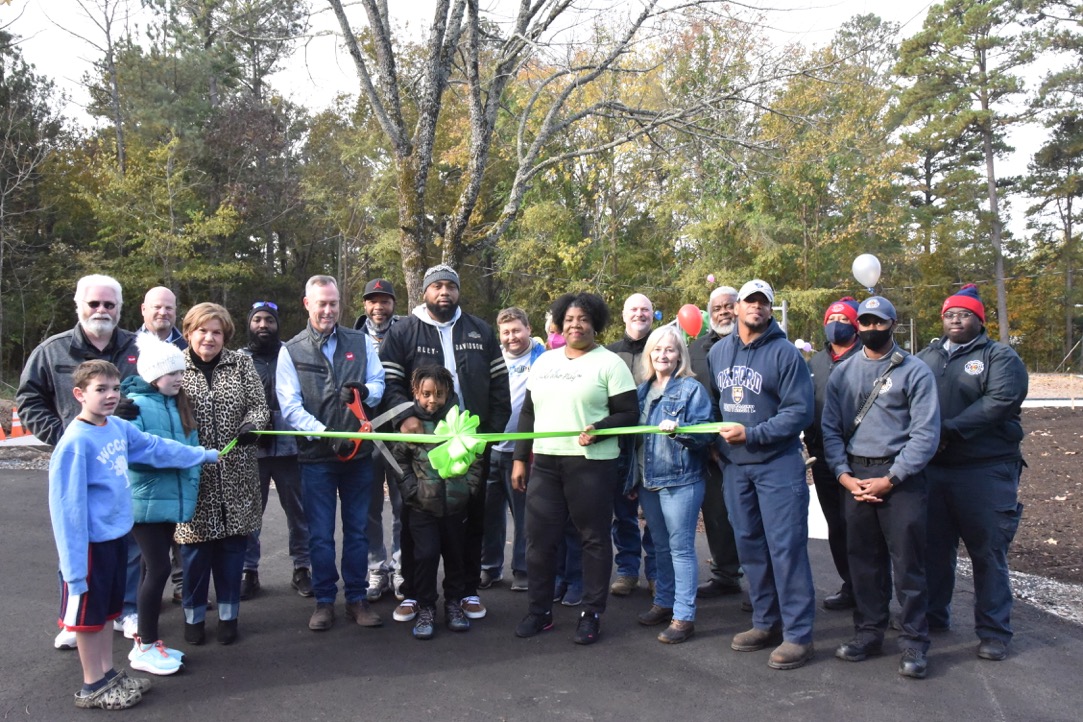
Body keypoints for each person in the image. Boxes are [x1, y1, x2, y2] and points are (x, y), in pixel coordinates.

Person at [49, 360, 217, 709]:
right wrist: (74, 570)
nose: (111, 396)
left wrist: (198, 454)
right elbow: (66, 512)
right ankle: (91, 684)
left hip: (114, 539)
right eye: (101, 390)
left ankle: (109, 673)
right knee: (89, 619)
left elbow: (155, 447)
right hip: (88, 548)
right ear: (79, 394)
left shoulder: (116, 428)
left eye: (115, 388)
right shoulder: (75, 443)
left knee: (108, 614)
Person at [379, 264, 510, 623]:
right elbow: (389, 383)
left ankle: (466, 591)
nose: (444, 293)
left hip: (469, 448)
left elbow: (500, 388)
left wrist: (489, 438)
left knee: (468, 524)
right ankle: (413, 595)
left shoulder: (480, 330)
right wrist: (405, 416)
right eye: (436, 286)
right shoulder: (403, 331)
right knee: (411, 522)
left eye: (450, 286)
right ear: (424, 292)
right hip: (417, 447)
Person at [17, 274, 142, 650]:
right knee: (75, 540)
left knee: (126, 540)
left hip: (123, 463)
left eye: (109, 305)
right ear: (78, 306)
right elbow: (29, 399)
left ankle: (126, 609)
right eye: (94, 304)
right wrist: (61, 436)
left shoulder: (140, 347)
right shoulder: (52, 351)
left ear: (119, 308)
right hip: (77, 466)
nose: (101, 310)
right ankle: (75, 617)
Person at [821, 295, 940, 680]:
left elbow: (925, 434)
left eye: (879, 322)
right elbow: (831, 431)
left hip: (899, 479)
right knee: (863, 562)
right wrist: (843, 476)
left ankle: (913, 642)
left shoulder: (915, 371)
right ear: (858, 326)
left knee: (908, 564)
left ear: (893, 324)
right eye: (866, 323)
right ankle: (868, 632)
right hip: (855, 476)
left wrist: (892, 478)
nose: (872, 329)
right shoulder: (843, 372)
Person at [511, 292, 637, 645]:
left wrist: (599, 430)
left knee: (593, 540)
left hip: (592, 464)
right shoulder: (544, 362)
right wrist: (521, 458)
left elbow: (629, 414)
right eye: (569, 319)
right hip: (546, 462)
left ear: (595, 323)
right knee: (539, 540)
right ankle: (540, 611)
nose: (575, 325)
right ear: (559, 324)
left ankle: (591, 612)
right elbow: (528, 414)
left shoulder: (610, 364)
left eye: (583, 319)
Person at [708, 279, 816, 670]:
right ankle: (764, 622)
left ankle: (799, 635)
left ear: (770, 309)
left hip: (778, 464)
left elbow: (799, 412)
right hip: (737, 467)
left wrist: (753, 434)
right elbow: (713, 409)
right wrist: (716, 448)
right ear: (736, 307)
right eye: (749, 300)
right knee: (750, 546)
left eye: (763, 302)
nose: (756, 306)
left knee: (786, 548)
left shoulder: (786, 354)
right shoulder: (718, 353)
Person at [917, 284, 1028, 661]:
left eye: (964, 314)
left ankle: (994, 631)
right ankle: (933, 615)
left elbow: (998, 402)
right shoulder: (927, 356)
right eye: (950, 314)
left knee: (987, 553)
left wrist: (948, 430)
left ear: (979, 320)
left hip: (985, 471)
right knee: (933, 549)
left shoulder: (1000, 356)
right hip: (935, 470)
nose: (956, 320)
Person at [277, 276, 386, 632]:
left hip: (358, 456)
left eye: (333, 303)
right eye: (321, 303)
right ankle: (325, 600)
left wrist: (364, 391)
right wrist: (326, 435)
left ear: (341, 304)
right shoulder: (290, 350)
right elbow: (290, 407)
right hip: (316, 458)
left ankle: (356, 598)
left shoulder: (360, 341)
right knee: (320, 534)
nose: (328, 310)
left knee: (357, 531)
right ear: (307, 304)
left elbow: (379, 383)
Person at [176, 303, 269, 646]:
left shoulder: (241, 363)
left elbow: (260, 406)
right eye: (202, 330)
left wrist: (253, 425)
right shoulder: (175, 366)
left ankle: (229, 619)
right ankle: (193, 619)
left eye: (216, 332)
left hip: (237, 474)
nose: (209, 338)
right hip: (193, 477)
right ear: (189, 332)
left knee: (232, 552)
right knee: (195, 555)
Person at [122, 335, 203, 675]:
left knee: (148, 570)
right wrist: (186, 457)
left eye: (182, 373)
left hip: (168, 503)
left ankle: (148, 641)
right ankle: (145, 645)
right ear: (154, 374)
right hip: (145, 505)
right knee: (157, 570)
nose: (180, 379)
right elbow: (137, 454)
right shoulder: (136, 406)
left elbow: (189, 443)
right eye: (173, 374)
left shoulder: (177, 404)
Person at [628, 326, 713, 644]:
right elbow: (635, 443)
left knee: (681, 550)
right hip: (649, 482)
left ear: (680, 355)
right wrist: (632, 478)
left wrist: (681, 430)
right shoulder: (641, 391)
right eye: (657, 349)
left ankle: (683, 616)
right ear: (649, 354)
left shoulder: (691, 390)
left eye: (670, 350)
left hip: (681, 482)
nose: (663, 355)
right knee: (659, 546)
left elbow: (706, 434)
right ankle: (663, 602)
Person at [391, 366, 483, 639]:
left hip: (456, 507)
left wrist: (467, 489)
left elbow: (476, 456)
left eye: (439, 394)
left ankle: (454, 604)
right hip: (422, 508)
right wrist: (412, 491)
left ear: (448, 394)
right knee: (426, 556)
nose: (432, 400)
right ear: (416, 393)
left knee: (456, 557)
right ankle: (426, 606)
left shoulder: (461, 423)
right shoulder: (411, 427)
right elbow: (399, 461)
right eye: (426, 394)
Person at [239, 301, 313, 600]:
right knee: (251, 511)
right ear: (250, 324)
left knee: (297, 510)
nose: (263, 325)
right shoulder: (239, 359)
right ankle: (248, 570)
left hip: (289, 445)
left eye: (269, 320)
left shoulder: (290, 353)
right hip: (252, 446)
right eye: (257, 320)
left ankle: (302, 568)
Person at [804, 297, 863, 611]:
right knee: (837, 525)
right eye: (832, 318)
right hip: (823, 457)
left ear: (855, 325)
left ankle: (871, 589)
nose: (836, 323)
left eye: (843, 318)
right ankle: (850, 585)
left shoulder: (866, 357)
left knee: (861, 527)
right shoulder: (815, 362)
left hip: (858, 459)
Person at [481, 307, 544, 592]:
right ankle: (489, 568)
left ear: (529, 329)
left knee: (524, 516)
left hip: (524, 452)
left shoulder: (543, 359)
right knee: (489, 513)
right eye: (505, 332)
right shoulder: (492, 359)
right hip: (492, 447)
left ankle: (522, 569)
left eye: (517, 330)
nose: (512, 337)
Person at [688, 285, 743, 598]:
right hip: (709, 449)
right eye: (717, 307)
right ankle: (725, 574)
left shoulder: (758, 345)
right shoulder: (696, 348)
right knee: (717, 515)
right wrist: (705, 441)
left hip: (747, 445)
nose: (724, 311)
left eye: (729, 305)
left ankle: (763, 582)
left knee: (749, 516)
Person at [353, 278, 405, 603]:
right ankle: (377, 568)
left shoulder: (406, 333)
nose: (378, 307)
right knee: (368, 507)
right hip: (364, 435)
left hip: (399, 433)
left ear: (393, 303)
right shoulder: (351, 339)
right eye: (373, 301)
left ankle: (401, 568)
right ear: (364, 305)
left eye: (384, 300)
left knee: (403, 505)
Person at [606, 293, 657, 597]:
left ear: (653, 315)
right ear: (623, 315)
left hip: (654, 444)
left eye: (645, 310)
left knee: (653, 514)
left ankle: (654, 571)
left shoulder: (664, 348)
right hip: (620, 445)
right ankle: (627, 570)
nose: (639, 314)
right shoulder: (609, 355)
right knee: (622, 513)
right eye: (633, 310)